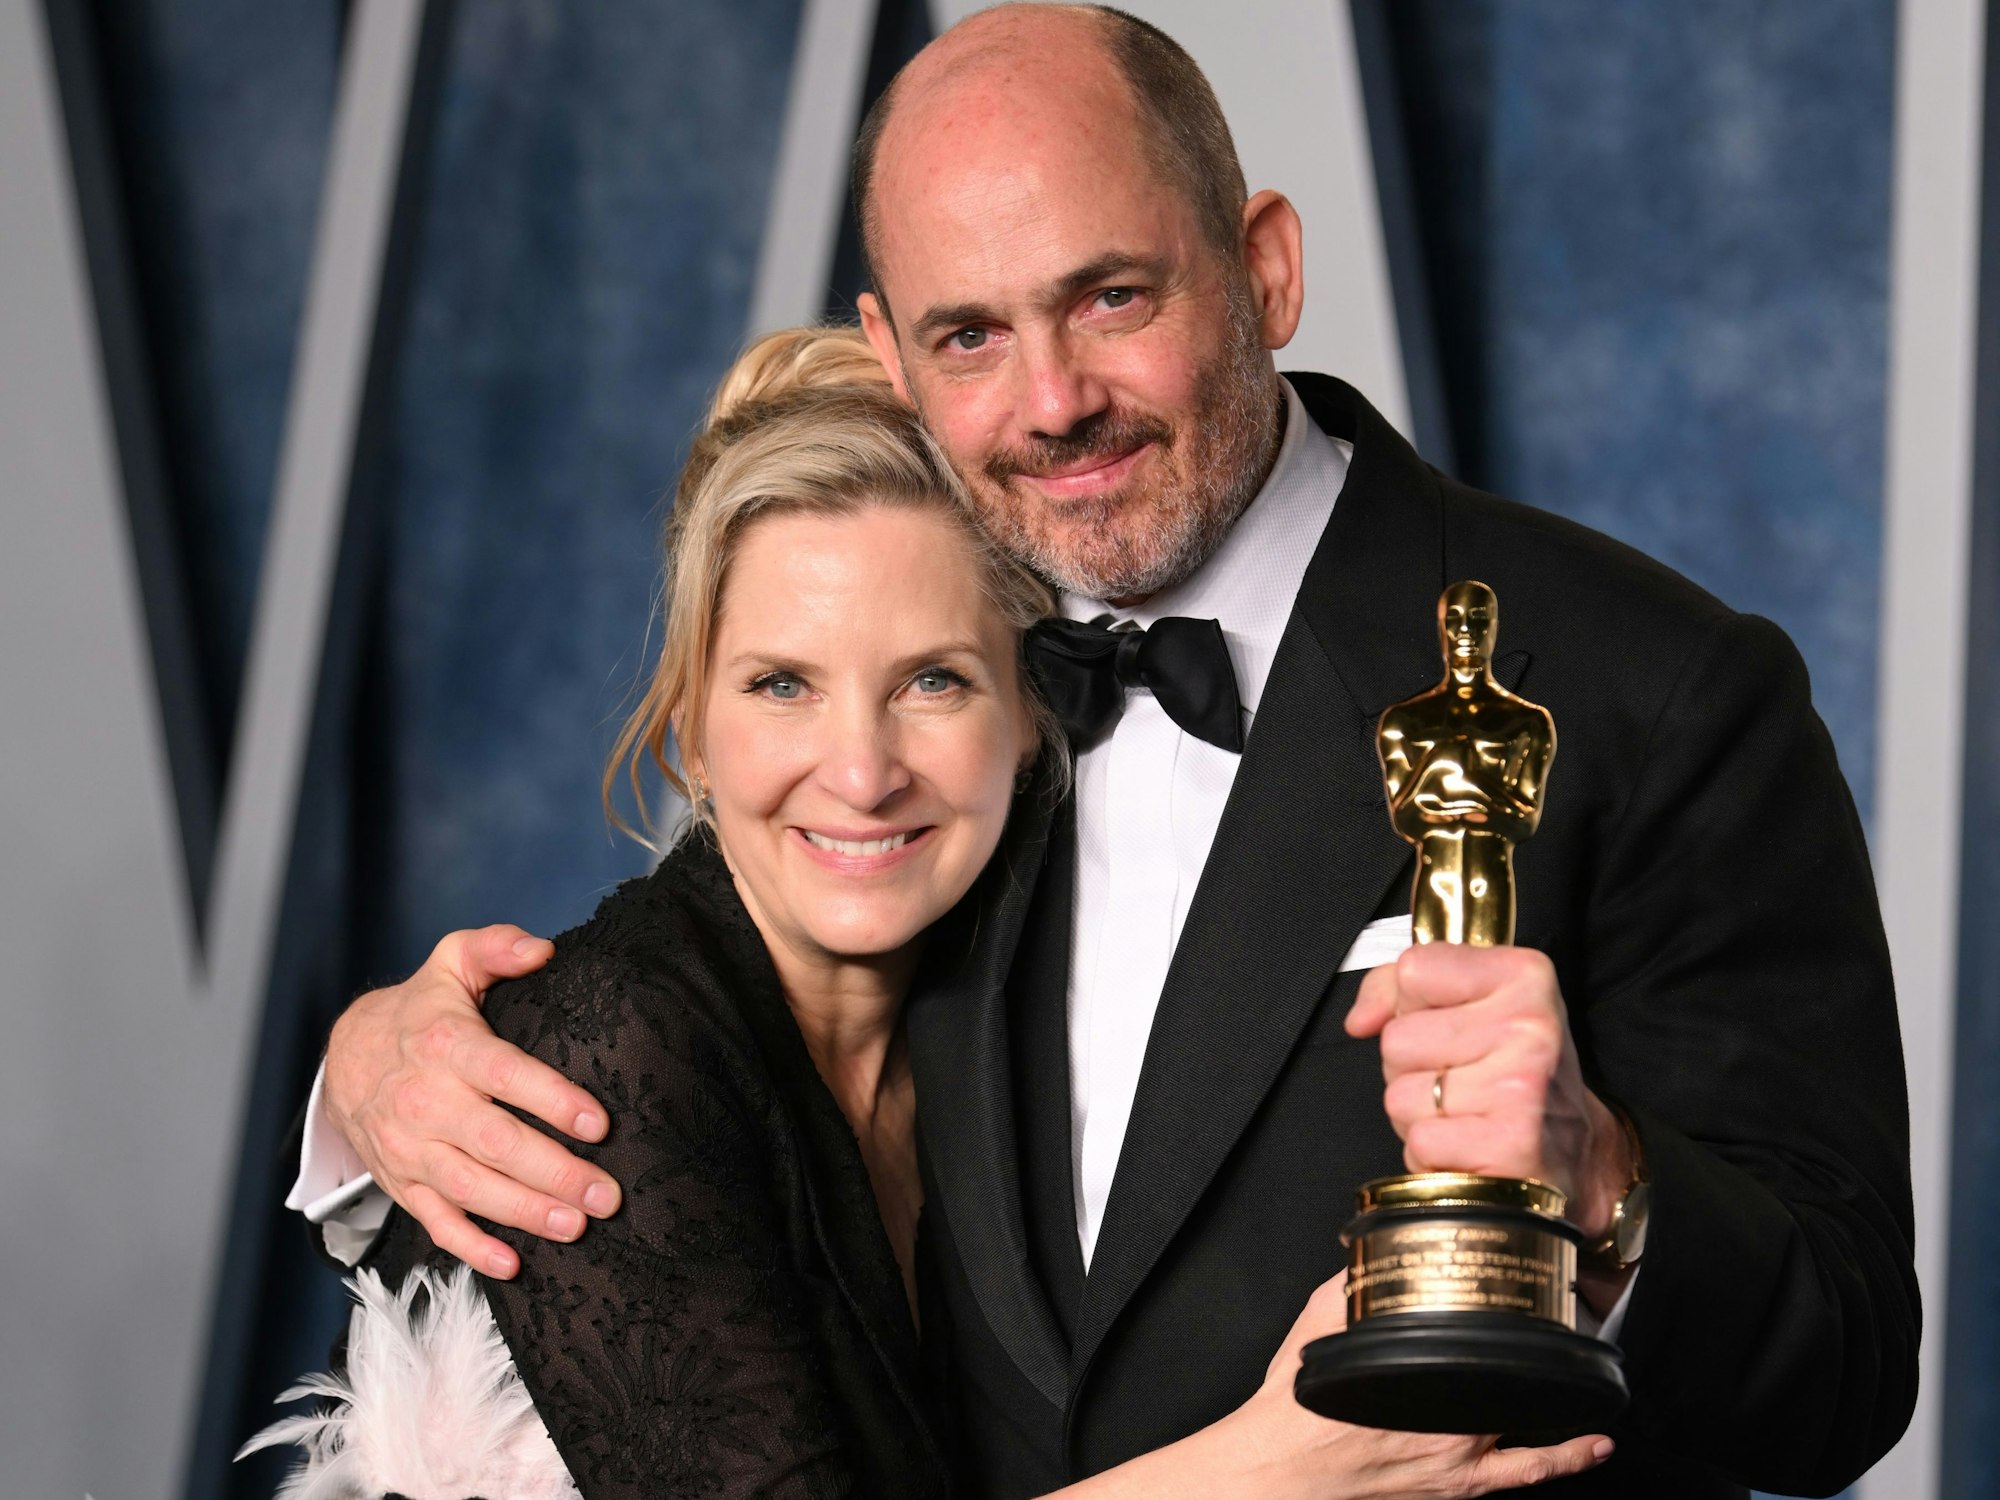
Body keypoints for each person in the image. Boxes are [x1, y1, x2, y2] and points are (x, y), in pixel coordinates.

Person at [292, 7, 1919, 1497]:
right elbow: (691, 1013)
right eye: (970, 336)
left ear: (1266, 265)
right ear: (892, 354)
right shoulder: (924, 697)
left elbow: (1845, 1369)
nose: (1053, 399)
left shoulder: (1658, 692)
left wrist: (1604, 1185)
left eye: (1111, 297)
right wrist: (367, 1065)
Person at [260, 323, 1607, 1499]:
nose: (859, 770)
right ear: (687, 728)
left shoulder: (1001, 996)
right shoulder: (613, 1050)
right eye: (782, 684)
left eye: (933, 682)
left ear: (1035, 718)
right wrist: (1276, 1472)